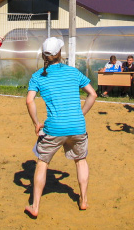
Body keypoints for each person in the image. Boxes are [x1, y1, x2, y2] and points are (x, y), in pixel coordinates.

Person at [24, 37, 97, 218]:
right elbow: (93, 94)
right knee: (80, 160)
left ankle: (35, 206)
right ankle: (84, 200)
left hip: (54, 128)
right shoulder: (73, 72)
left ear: (43, 55)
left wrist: (36, 123)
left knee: (42, 162)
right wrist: (81, 114)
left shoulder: (38, 76)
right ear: (60, 54)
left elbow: (29, 100)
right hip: (78, 126)